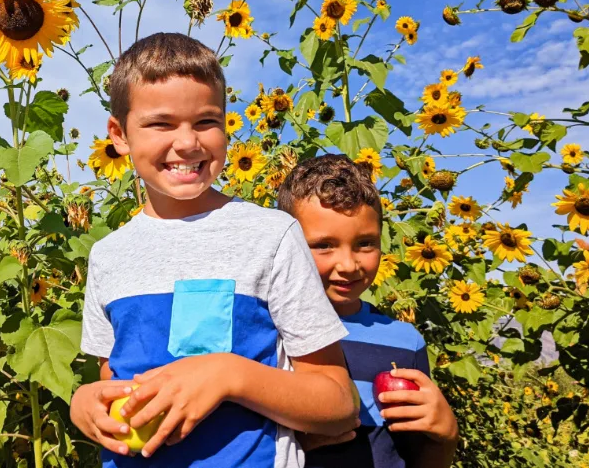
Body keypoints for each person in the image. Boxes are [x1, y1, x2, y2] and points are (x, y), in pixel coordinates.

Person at [70, 33, 359, 467]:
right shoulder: (109, 255)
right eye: (161, 124)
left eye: (206, 121)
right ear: (119, 134)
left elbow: (338, 403)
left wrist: (230, 375)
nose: (187, 143)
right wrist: (84, 402)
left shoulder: (270, 235)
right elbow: (112, 379)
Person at [277, 154, 459, 468]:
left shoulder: (404, 342)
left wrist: (446, 434)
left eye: (365, 243)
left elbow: (420, 457)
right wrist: (292, 443)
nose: (348, 265)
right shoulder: (272, 333)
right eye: (323, 245)